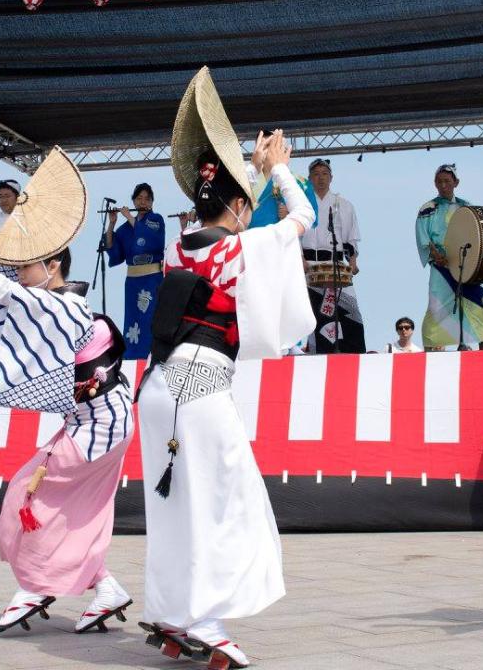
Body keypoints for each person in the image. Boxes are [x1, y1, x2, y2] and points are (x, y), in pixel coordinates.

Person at [137, 69, 313, 669]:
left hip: (158, 385)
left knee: (174, 505)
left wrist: (249, 183)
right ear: (237, 206)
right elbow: (302, 218)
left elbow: (227, 229)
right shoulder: (240, 247)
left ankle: (172, 614)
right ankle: (208, 622)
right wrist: (279, 170)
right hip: (202, 383)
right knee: (226, 501)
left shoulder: (177, 247)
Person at [0, 153, 135, 634]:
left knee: (29, 496)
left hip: (102, 424)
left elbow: (5, 289)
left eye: (30, 264)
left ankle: (37, 585)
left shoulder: (66, 308)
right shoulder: (51, 300)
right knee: (69, 508)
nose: (21, 270)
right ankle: (104, 587)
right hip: (94, 422)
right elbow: (5, 275)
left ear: (54, 264)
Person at [414, 164, 483, 350]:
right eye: (439, 181)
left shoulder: (466, 206)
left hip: (465, 264)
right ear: (435, 183)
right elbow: (423, 235)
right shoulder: (428, 208)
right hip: (441, 266)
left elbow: (477, 233)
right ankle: (432, 347)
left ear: (456, 182)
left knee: (480, 304)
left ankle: (482, 349)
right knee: (437, 307)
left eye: (447, 181)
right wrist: (436, 254)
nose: (443, 185)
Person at [301, 158, 364, 353]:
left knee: (350, 313)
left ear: (331, 177)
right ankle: (319, 352)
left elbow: (350, 239)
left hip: (335, 265)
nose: (320, 178)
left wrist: (352, 261)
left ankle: (352, 352)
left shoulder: (342, 204)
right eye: (316, 174)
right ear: (309, 178)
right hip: (309, 265)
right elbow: (294, 236)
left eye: (324, 174)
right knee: (315, 315)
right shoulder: (301, 203)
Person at [104, 182, 168, 359]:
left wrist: (130, 219)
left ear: (152, 202)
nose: (143, 202)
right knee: (132, 319)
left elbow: (150, 239)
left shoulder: (156, 220)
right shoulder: (125, 229)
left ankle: (152, 355)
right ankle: (132, 356)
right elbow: (114, 251)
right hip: (132, 281)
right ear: (133, 200)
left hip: (152, 278)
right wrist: (112, 224)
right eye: (139, 198)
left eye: (147, 199)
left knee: (150, 317)